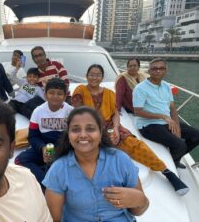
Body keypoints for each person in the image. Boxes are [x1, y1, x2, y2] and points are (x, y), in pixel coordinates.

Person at [72, 64, 189, 195]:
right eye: (91, 75)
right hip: (88, 126)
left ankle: (167, 172)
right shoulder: (80, 90)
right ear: (87, 76)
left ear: (102, 77)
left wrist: (116, 128)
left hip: (110, 125)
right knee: (95, 149)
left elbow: (115, 113)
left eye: (98, 75)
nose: (94, 77)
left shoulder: (109, 93)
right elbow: (79, 113)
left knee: (134, 144)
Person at [43, 106, 149, 222]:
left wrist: (140, 199)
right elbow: (53, 219)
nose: (83, 134)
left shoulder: (120, 160)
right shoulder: (58, 169)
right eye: (76, 129)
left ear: (100, 133)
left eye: (90, 129)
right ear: (68, 135)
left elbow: (138, 211)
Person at [133, 58, 199, 170]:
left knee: (196, 136)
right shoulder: (140, 88)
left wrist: (177, 127)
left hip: (166, 122)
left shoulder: (166, 86)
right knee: (180, 145)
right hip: (148, 125)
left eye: (161, 68)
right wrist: (162, 116)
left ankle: (174, 160)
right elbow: (137, 112)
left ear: (165, 70)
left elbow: (172, 108)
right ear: (149, 71)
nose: (158, 71)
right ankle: (169, 167)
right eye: (154, 68)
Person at [15, 78, 73, 185]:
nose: (55, 96)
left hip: (64, 148)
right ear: (45, 95)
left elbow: (75, 136)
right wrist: (42, 148)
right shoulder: (38, 111)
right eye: (51, 93)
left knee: (72, 163)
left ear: (65, 96)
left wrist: (62, 149)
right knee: (20, 160)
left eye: (59, 94)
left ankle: (56, 178)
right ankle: (46, 182)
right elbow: (33, 136)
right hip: (44, 147)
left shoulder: (70, 111)